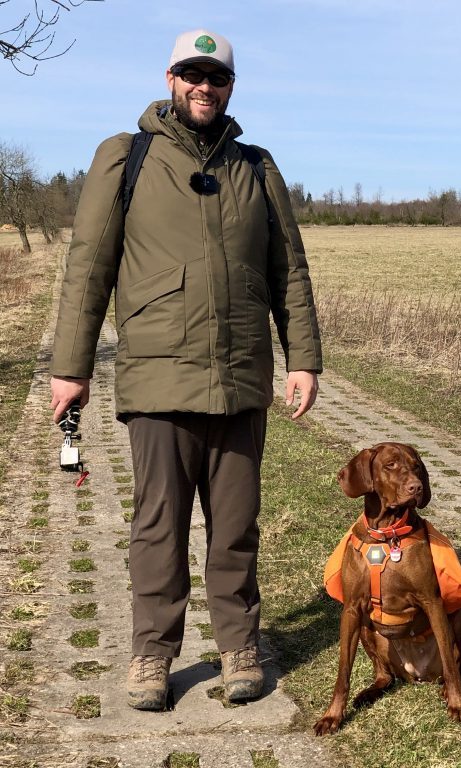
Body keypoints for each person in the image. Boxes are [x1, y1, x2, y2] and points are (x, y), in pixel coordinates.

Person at [48, 29, 322, 711]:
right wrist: (70, 367)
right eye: (193, 75)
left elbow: (289, 269)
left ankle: (238, 646)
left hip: (239, 377)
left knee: (235, 526)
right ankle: (151, 653)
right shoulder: (127, 157)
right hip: (158, 376)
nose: (205, 87)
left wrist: (304, 358)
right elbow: (89, 268)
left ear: (231, 88)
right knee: (158, 526)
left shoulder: (257, 167)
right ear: (170, 78)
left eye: (217, 78)